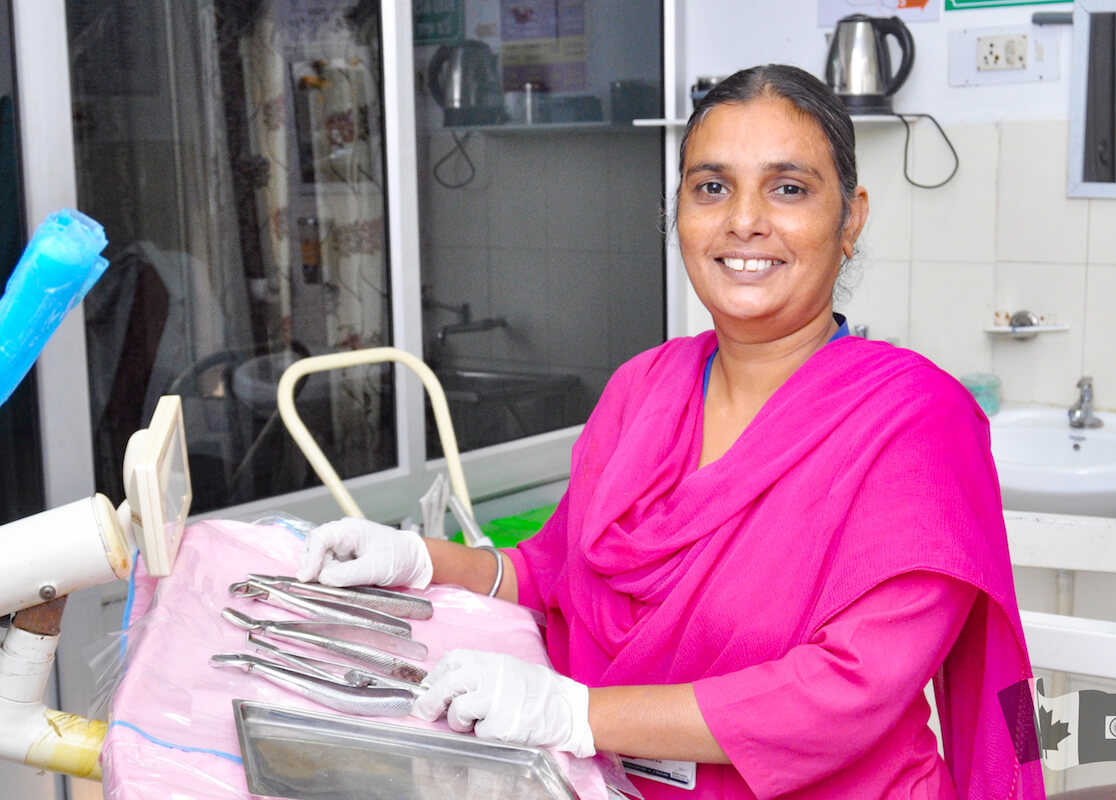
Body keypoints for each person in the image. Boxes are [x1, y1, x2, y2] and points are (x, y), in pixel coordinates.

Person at [298, 64, 1044, 799]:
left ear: (850, 218)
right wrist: (418, 561)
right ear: (679, 212)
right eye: (711, 187)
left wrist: (576, 712)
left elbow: (848, 688)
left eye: (788, 188)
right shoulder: (642, 390)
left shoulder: (914, 422)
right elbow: (549, 576)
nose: (743, 220)